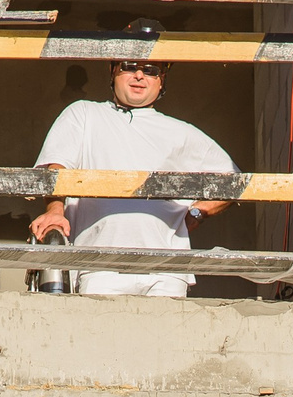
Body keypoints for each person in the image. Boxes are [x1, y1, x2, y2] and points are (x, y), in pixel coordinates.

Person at [27, 22, 236, 298]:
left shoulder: (180, 132)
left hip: (167, 270)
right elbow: (56, 166)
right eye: (129, 65)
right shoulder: (84, 115)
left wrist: (196, 213)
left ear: (162, 79)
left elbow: (232, 180)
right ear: (113, 70)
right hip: (99, 265)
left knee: (170, 341)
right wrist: (55, 211)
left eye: (150, 70)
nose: (139, 75)